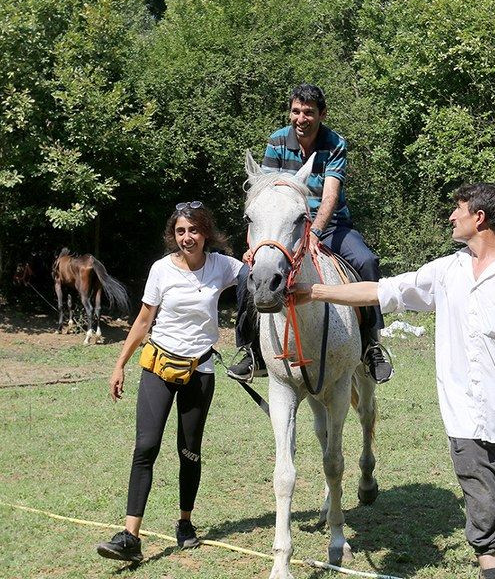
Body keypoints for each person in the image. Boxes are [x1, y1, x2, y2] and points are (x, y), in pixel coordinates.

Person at [292, 183, 495, 579]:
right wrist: (315, 291)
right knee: (485, 521)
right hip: (466, 419)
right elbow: (382, 290)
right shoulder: (446, 272)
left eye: (459, 209)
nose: (452, 216)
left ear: (479, 218)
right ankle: (494, 563)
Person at [95, 202, 243, 563]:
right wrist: (119, 365)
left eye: (193, 230)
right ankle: (130, 536)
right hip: (158, 367)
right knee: (146, 447)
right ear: (172, 235)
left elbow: (258, 273)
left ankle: (185, 523)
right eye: (180, 231)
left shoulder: (222, 266)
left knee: (189, 450)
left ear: (205, 233)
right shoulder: (161, 269)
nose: (186, 238)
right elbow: (144, 321)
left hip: (200, 371)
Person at [227, 83, 393, 384]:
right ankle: (251, 351)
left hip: (330, 226)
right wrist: (257, 244)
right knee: (244, 276)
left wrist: (314, 232)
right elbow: (265, 196)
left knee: (367, 262)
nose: (301, 118)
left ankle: (371, 345)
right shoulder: (277, 141)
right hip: (284, 229)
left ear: (321, 114)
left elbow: (330, 195)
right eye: (295, 111)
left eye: (308, 113)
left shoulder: (335, 144)